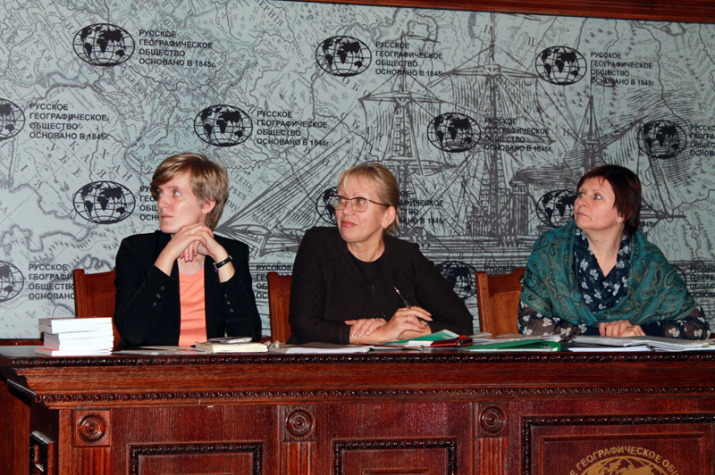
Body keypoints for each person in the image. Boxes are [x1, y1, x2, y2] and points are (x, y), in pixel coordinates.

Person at [289, 162, 473, 344]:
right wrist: (382, 334)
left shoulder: (406, 256)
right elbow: (304, 326)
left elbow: (461, 323)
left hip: (389, 364)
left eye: (360, 202)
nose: (345, 210)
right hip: (321, 363)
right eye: (342, 199)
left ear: (387, 216)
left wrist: (401, 331)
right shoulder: (318, 244)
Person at [519, 164, 710, 339]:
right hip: (568, 363)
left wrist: (638, 331)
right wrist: (603, 334)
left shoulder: (650, 260)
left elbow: (698, 326)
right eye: (581, 194)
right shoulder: (551, 249)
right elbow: (530, 326)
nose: (581, 202)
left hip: (635, 362)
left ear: (623, 212)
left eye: (597, 196)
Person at [114, 152, 261, 346]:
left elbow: (247, 335)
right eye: (160, 193)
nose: (161, 203)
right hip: (151, 364)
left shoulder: (232, 251)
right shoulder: (136, 250)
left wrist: (220, 257)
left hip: (209, 364)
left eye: (175, 193)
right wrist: (168, 253)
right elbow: (132, 332)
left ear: (206, 204)